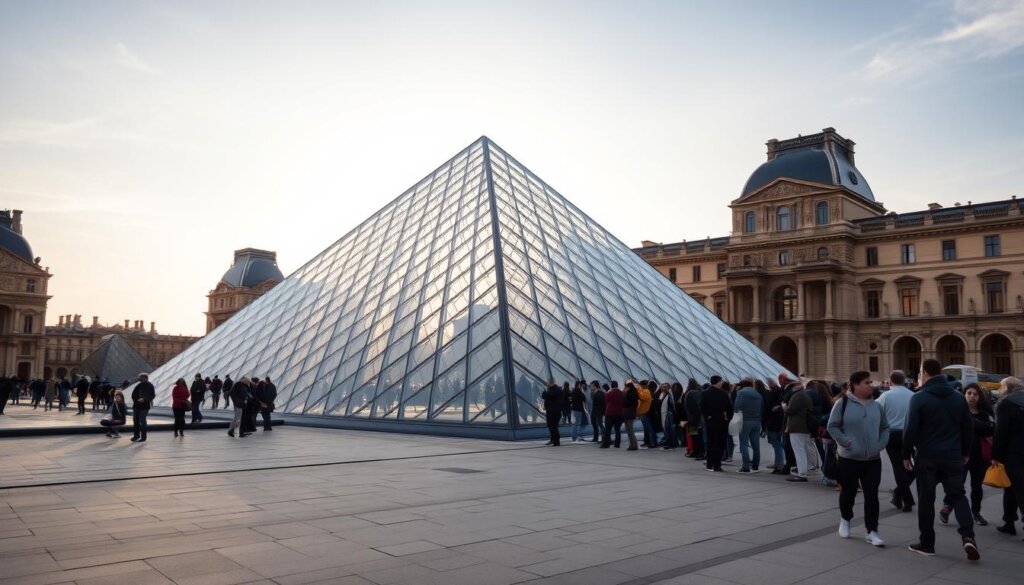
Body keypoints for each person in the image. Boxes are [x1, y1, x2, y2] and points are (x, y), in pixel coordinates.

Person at [902, 358, 979, 560]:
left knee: (926, 500)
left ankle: (927, 544)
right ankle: (968, 536)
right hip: (953, 456)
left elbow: (910, 429)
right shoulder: (958, 397)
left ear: (925, 373)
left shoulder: (919, 398)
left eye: (920, 371)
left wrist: (906, 454)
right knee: (958, 496)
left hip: (927, 457)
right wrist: (965, 452)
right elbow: (967, 427)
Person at [828, 370, 890, 547]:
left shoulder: (876, 405)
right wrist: (844, 441)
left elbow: (885, 427)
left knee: (872, 495)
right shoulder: (842, 403)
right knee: (848, 492)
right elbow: (832, 426)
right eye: (867, 383)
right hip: (849, 458)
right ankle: (845, 518)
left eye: (871, 382)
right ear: (855, 385)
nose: (871, 385)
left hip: (872, 459)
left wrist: (881, 444)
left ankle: (872, 531)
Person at [940, 383, 994, 526]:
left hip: (980, 456)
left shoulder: (985, 413)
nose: (972, 396)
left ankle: (976, 512)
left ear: (979, 397)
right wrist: (979, 426)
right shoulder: (958, 411)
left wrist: (972, 423)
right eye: (969, 393)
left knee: (977, 486)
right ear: (964, 395)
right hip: (961, 454)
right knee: (957, 483)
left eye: (975, 394)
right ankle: (947, 507)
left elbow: (991, 429)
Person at [877, 370, 916, 512]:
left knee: (898, 468)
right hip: (910, 434)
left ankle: (904, 497)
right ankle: (900, 494)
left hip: (892, 434)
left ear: (890, 381)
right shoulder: (913, 395)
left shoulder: (885, 396)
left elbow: (877, 412)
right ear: (904, 380)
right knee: (914, 467)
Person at [993, 376, 1024, 539]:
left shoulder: (1005, 404)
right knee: (1010, 487)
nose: (1000, 390)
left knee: (1017, 489)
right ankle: (1009, 522)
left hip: (1012, 453)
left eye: (1002, 387)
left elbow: (1001, 432)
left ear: (1007, 388)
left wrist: (995, 455)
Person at [783, 378, 812, 482]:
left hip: (797, 426)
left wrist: (785, 407)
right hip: (804, 426)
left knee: (799, 450)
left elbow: (791, 410)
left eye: (795, 385)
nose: (793, 387)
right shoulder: (805, 395)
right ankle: (803, 471)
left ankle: (802, 474)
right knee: (802, 450)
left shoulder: (798, 396)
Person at [701, 376, 733, 472]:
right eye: (721, 381)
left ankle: (709, 464)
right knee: (719, 443)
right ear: (718, 382)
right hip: (721, 421)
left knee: (710, 443)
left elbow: (702, 407)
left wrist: (707, 417)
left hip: (710, 422)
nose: (722, 382)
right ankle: (717, 465)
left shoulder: (704, 393)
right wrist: (728, 418)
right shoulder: (723, 394)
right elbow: (729, 408)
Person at [733, 377, 764, 473]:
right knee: (756, 446)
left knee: (744, 444)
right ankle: (755, 466)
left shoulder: (741, 393)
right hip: (757, 421)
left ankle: (746, 466)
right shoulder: (758, 394)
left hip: (745, 421)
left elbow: (736, 407)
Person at [762, 380, 786, 474]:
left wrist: (764, 423)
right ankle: (778, 462)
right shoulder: (781, 394)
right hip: (779, 422)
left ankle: (779, 464)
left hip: (773, 422)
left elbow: (767, 409)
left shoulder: (771, 394)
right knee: (777, 443)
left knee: (776, 443)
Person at [131, 373, 155, 443]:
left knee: (142, 420)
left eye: (141, 378)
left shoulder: (150, 386)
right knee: (135, 420)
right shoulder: (139, 385)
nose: (140, 379)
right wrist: (136, 400)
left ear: (145, 378)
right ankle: (136, 436)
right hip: (136, 405)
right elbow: (133, 394)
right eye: (140, 378)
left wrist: (144, 399)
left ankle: (143, 437)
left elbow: (152, 396)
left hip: (144, 406)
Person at [683, 378, 704, 459]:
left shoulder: (692, 393)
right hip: (695, 418)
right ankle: (697, 452)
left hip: (694, 418)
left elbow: (697, 406)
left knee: (696, 436)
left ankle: (699, 452)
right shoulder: (698, 392)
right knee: (696, 435)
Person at [601, 381, 624, 448]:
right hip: (619, 413)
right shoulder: (622, 393)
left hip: (610, 413)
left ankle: (606, 444)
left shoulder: (608, 393)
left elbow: (606, 402)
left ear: (611, 386)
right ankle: (617, 444)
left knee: (607, 429)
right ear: (617, 385)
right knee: (617, 429)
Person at [541, 379, 562, 446]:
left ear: (550, 382)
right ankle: (552, 439)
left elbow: (550, 395)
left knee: (554, 426)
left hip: (555, 411)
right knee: (550, 426)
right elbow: (543, 396)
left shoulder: (557, 389)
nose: (547, 383)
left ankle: (556, 441)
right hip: (549, 410)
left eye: (547, 382)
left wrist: (546, 393)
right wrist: (545, 391)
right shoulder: (549, 389)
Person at [623, 381, 640, 450]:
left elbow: (626, 403)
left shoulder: (630, 394)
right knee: (630, 429)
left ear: (628, 387)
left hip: (629, 413)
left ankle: (633, 445)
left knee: (629, 430)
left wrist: (625, 394)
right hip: (632, 413)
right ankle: (633, 444)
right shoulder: (634, 393)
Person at [637, 380, 655, 448]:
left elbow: (641, 397)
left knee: (648, 428)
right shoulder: (644, 391)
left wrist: (639, 390)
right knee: (646, 429)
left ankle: (652, 443)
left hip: (645, 413)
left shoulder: (646, 391)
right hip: (643, 413)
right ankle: (647, 442)